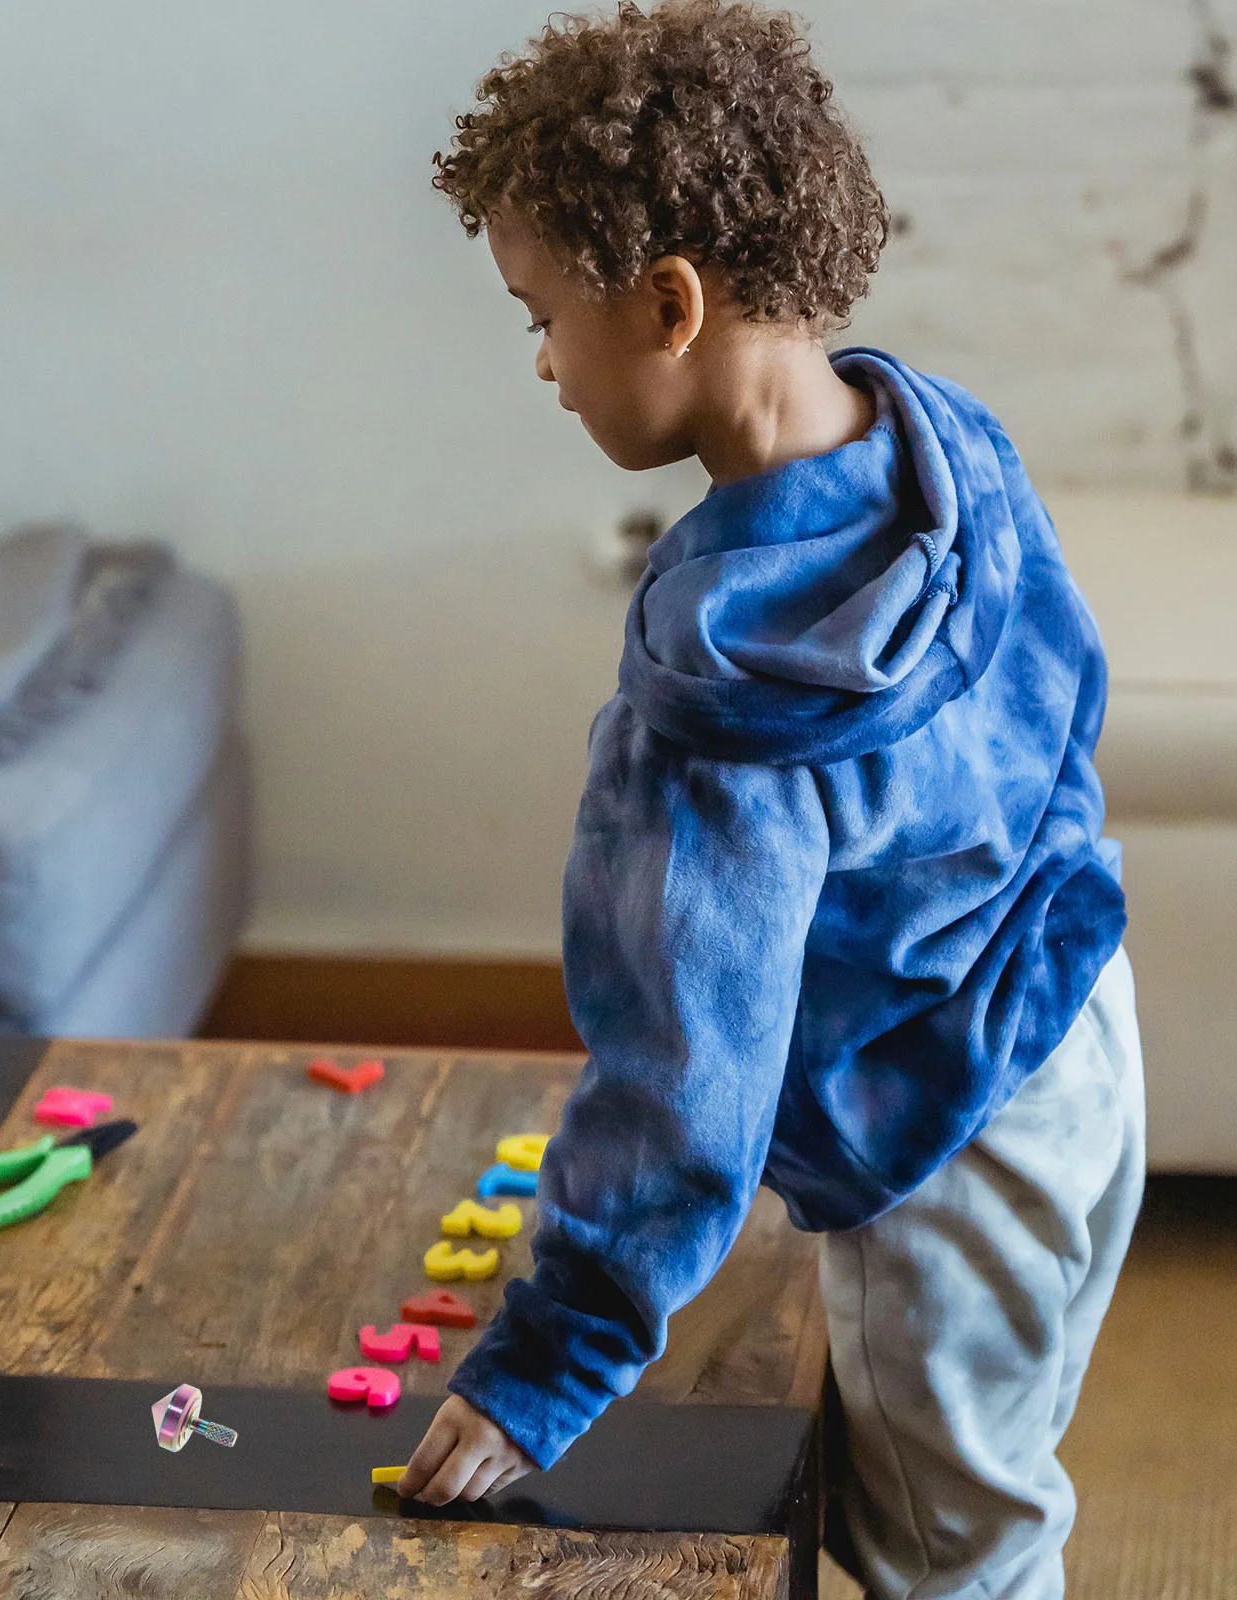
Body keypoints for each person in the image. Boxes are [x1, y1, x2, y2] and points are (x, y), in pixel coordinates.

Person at [397, 5, 1146, 1596]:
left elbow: (684, 1091)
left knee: (953, 1548)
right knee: (1010, 1454)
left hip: (934, 1150)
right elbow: (1070, 706)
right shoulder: (953, 449)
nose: (540, 362)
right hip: (1087, 1033)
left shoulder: (714, 710)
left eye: (541, 316)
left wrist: (544, 1368)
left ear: (668, 304)